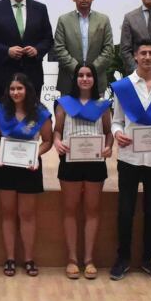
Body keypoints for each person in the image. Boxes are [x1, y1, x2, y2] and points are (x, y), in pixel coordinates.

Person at [108, 39, 151, 281]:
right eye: (143, 53)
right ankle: (122, 258)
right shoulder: (124, 87)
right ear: (135, 57)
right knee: (125, 211)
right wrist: (118, 133)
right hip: (129, 157)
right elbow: (116, 120)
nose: (147, 57)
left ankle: (149, 259)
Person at [53, 64, 113, 279]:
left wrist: (109, 146)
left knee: (92, 211)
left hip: (95, 162)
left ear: (95, 79)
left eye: (89, 75)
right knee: (69, 210)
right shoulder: (63, 104)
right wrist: (57, 143)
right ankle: (71, 259)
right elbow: (57, 131)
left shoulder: (103, 105)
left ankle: (88, 259)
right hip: (70, 161)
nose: (85, 78)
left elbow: (108, 132)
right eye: (81, 75)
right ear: (75, 78)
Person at [0, 73, 53, 277]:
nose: (16, 92)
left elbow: (47, 141)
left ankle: (28, 258)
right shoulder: (1, 112)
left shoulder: (40, 113)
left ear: (27, 90)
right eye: (12, 89)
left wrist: (37, 154)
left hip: (30, 167)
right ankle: (10, 258)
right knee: (8, 214)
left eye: (19, 88)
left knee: (27, 216)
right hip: (5, 167)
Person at [53, 0, 114, 95]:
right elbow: (59, 49)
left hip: (96, 81)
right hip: (69, 81)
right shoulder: (64, 20)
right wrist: (78, 70)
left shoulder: (103, 20)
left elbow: (108, 49)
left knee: (96, 113)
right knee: (69, 113)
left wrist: (91, 71)